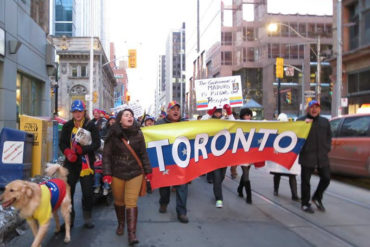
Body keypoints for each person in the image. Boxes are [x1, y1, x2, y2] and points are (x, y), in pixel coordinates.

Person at [102, 108, 152, 245]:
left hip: (135, 173)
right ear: (120, 119)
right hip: (117, 173)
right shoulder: (112, 134)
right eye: (126, 115)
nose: (130, 117)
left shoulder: (138, 134)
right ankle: (121, 224)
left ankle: (132, 234)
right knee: (119, 201)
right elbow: (106, 155)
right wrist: (106, 173)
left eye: (131, 115)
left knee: (131, 202)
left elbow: (143, 154)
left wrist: (148, 171)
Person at [59, 100, 100, 229]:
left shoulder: (90, 125)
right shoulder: (67, 126)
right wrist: (67, 152)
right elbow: (62, 143)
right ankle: (69, 220)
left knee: (87, 193)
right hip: (71, 164)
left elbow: (97, 143)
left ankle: (87, 217)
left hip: (86, 163)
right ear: (72, 112)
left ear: (84, 111)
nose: (77, 114)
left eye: (80, 111)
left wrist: (84, 150)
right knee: (68, 193)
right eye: (75, 111)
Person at [157, 101, 189, 223]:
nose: (176, 111)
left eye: (178, 109)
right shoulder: (159, 124)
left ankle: (181, 212)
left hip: (181, 160)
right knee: (164, 186)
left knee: (182, 185)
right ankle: (163, 202)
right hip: (165, 160)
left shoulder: (185, 124)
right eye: (173, 109)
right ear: (168, 112)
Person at [297, 100, 331, 214]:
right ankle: (305, 203)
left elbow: (329, 136)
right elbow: (295, 137)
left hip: (322, 156)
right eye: (312, 107)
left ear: (319, 109)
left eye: (317, 107)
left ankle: (317, 197)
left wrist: (327, 148)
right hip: (307, 156)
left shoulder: (325, 121)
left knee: (326, 178)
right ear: (308, 109)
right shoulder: (301, 121)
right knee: (306, 181)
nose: (314, 109)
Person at [202, 104, 234, 208]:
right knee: (216, 176)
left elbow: (234, 123)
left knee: (221, 176)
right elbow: (200, 123)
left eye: (219, 112)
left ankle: (217, 188)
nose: (217, 114)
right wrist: (209, 112)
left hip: (224, 154)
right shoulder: (209, 120)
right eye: (216, 112)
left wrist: (229, 112)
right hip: (213, 153)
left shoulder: (225, 120)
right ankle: (219, 198)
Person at [268, 113, 300, 201]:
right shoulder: (275, 130)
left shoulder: (291, 129)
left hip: (287, 155)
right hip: (280, 155)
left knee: (291, 174)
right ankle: (277, 190)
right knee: (278, 173)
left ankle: (294, 194)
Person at [236, 107, 254, 204]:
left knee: (245, 173)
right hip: (242, 153)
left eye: (249, 115)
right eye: (247, 115)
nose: (248, 117)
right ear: (243, 116)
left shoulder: (254, 124)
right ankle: (249, 196)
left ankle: (239, 188)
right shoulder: (239, 124)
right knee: (246, 174)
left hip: (251, 153)